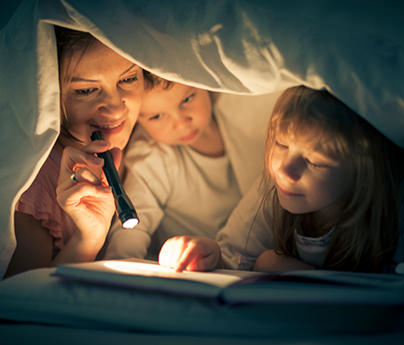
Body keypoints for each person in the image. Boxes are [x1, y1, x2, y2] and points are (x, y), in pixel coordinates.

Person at [159, 85, 404, 273]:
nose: (285, 170)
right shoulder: (274, 192)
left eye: (315, 161)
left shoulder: (391, 208)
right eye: (281, 144)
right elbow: (235, 255)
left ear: (363, 172)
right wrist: (209, 253)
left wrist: (279, 265)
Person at [4, 26, 150, 277]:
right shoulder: (31, 186)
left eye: (127, 79)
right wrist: (87, 239)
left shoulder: (148, 130)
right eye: (85, 90)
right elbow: (23, 303)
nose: (116, 109)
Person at [104, 78, 278, 260]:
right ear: (139, 122)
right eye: (156, 116)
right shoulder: (153, 156)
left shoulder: (238, 114)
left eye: (187, 100)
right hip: (196, 265)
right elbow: (133, 226)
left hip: (258, 253)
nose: (181, 123)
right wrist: (122, 271)